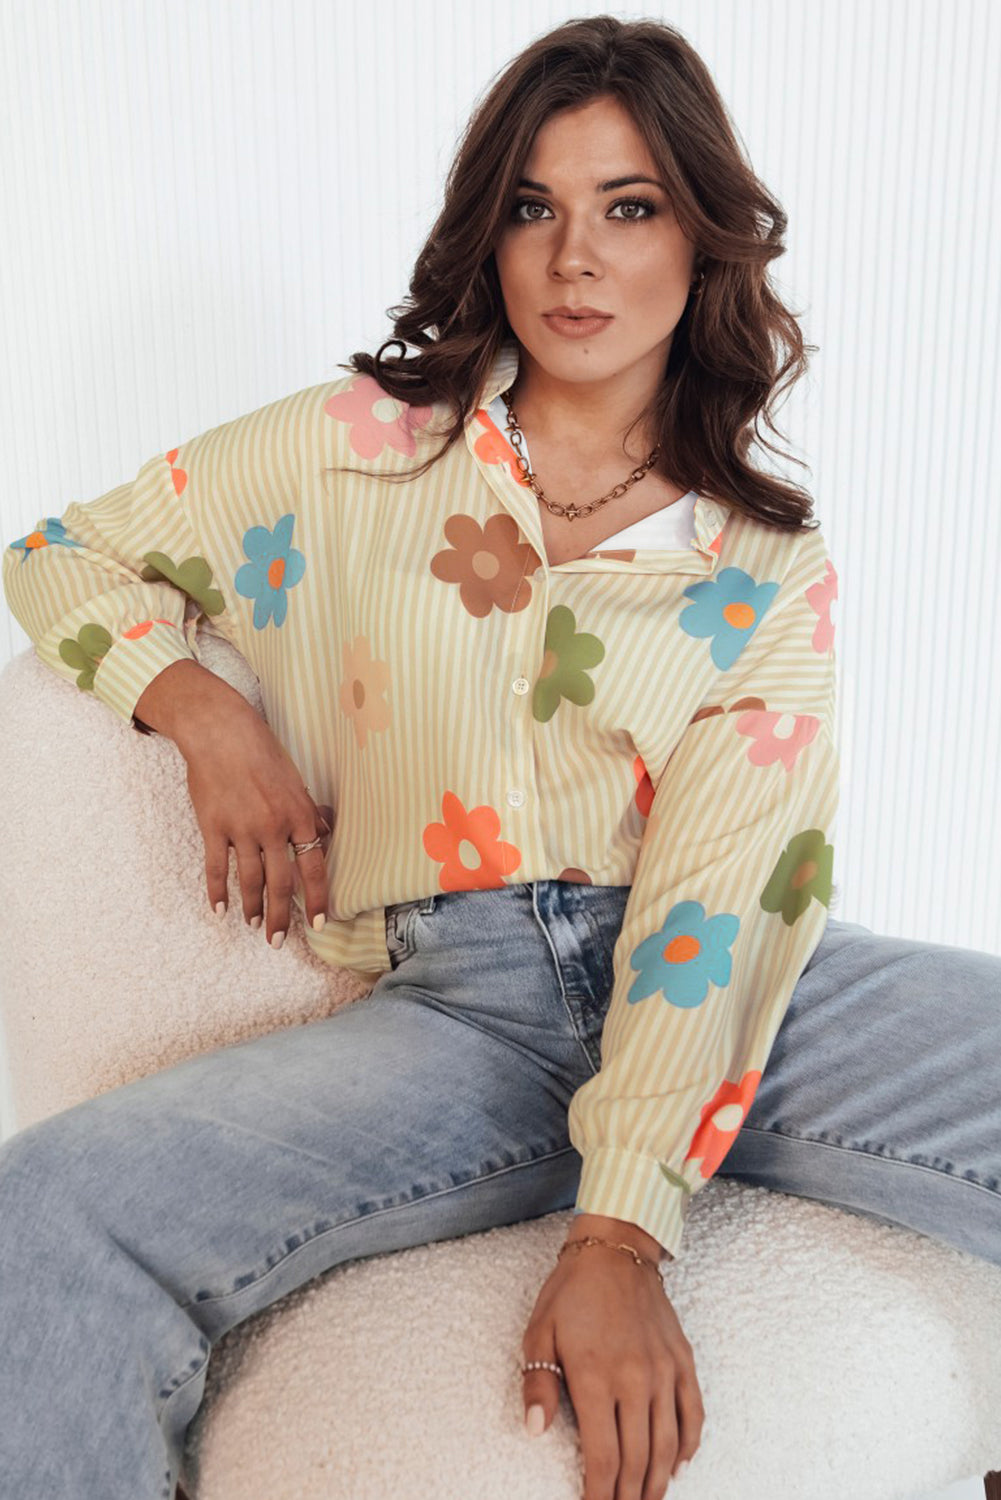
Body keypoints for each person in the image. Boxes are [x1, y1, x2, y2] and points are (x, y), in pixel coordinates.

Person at [1, 14, 998, 1500]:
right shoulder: (357, 449)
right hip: (466, 1020)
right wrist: (200, 709)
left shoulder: (761, 565)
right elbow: (61, 552)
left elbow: (720, 904)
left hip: (736, 984)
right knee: (46, 1210)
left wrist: (620, 1232)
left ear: (701, 238)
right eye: (535, 206)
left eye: (629, 207)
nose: (574, 258)